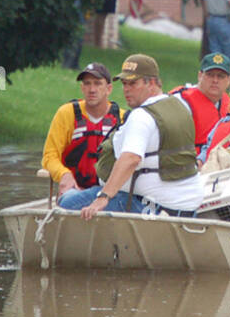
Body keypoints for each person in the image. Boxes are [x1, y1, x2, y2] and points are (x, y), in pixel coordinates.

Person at [60, 54, 204, 218]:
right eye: (124, 83)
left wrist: (103, 197)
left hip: (153, 207)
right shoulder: (179, 106)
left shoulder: (142, 116)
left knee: (67, 202)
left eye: (133, 83)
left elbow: (131, 159)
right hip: (188, 205)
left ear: (151, 83)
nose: (126, 89)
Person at [41, 62, 122, 194]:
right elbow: (49, 156)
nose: (92, 89)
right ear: (82, 88)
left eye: (97, 83)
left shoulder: (122, 118)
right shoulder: (66, 113)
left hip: (110, 192)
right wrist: (64, 174)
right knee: (70, 197)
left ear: (109, 89)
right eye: (87, 83)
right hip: (74, 191)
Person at [169, 53, 230, 158]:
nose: (215, 80)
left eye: (221, 76)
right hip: (187, 166)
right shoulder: (181, 101)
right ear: (200, 76)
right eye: (210, 75)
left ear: (228, 80)